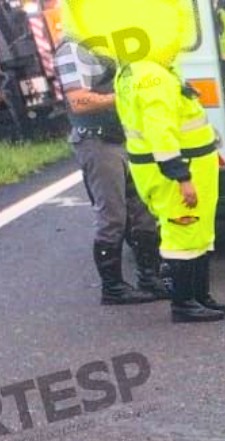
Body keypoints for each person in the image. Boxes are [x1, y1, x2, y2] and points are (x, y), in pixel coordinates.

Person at [112, 2, 225, 323]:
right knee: (182, 234)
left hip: (188, 164)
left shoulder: (142, 69)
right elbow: (161, 132)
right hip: (176, 169)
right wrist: (180, 175)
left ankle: (199, 296)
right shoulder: (152, 77)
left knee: (198, 233)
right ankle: (184, 303)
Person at [52, 35, 168, 305]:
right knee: (113, 216)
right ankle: (113, 287)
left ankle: (149, 277)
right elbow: (79, 101)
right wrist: (126, 96)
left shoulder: (111, 39)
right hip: (97, 139)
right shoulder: (74, 47)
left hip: (123, 137)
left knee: (143, 211)